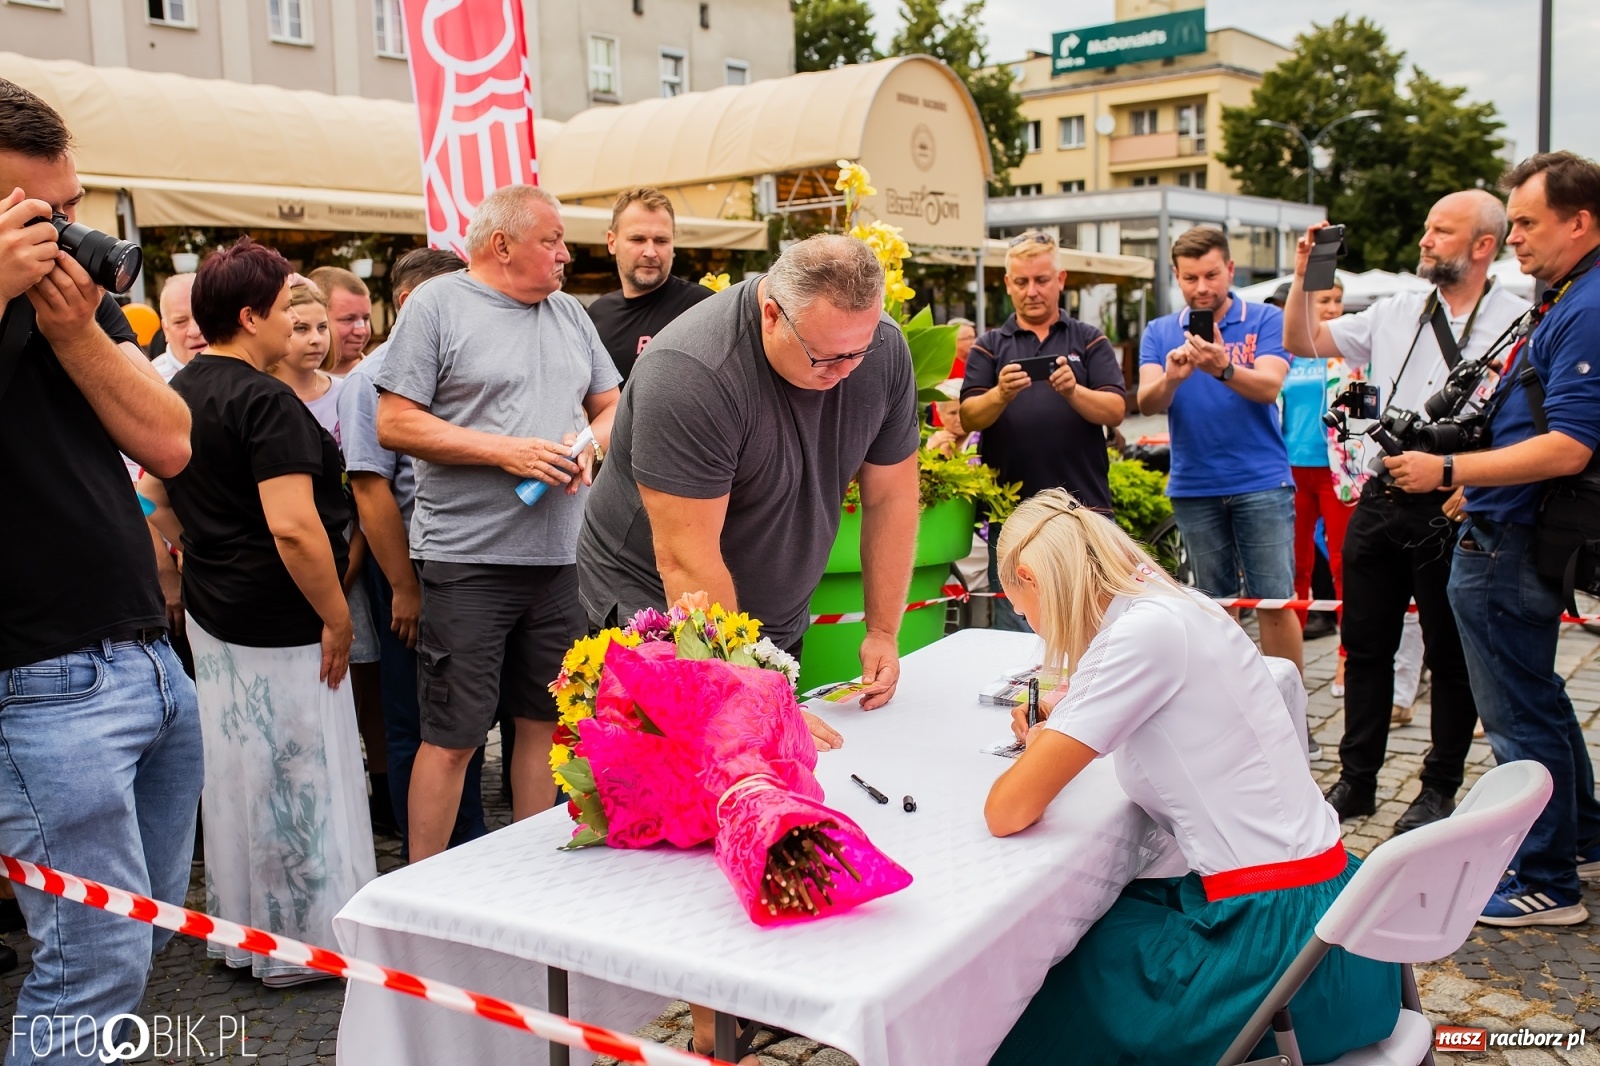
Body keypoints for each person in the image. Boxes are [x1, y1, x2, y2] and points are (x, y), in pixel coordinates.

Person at [576, 231, 918, 1060]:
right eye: (826, 358)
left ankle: (768, 979)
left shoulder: (876, 348)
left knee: (774, 792)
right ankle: (698, 1025)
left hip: (772, 602)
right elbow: (686, 562)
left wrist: (882, 627)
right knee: (697, 805)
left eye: (859, 352)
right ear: (770, 312)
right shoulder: (689, 371)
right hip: (655, 615)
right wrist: (756, 701)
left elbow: (893, 488)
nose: (847, 372)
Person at [982, 490, 1398, 1065]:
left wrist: (1044, 745)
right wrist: (1061, 722)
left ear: (1030, 577)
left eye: (1022, 606)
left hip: (1280, 962)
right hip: (1341, 928)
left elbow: (1007, 811)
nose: (1031, 624)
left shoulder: (1136, 636)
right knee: (1099, 918)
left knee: (1035, 978)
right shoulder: (1175, 604)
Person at [0, 78, 202, 1063]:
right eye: (38, 212)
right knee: (90, 960)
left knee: (135, 940)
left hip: (148, 664)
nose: (65, 233)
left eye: (70, 209)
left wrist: (75, 326)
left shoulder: (74, 300)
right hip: (35, 683)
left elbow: (169, 440)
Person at [139, 238, 375, 985]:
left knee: (241, 774)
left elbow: (152, 496)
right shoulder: (264, 399)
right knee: (300, 775)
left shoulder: (182, 388)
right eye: (283, 310)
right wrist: (337, 617)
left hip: (216, 606)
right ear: (251, 317)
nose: (294, 323)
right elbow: (295, 527)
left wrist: (194, 551)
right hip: (279, 614)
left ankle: (249, 936)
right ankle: (306, 943)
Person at [1385, 153, 1600, 924]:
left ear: (1580, 222)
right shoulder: (1571, 294)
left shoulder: (1585, 305)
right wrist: (1475, 478)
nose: (1514, 237)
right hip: (1502, 523)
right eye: (1509, 222)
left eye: (1527, 222)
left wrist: (1449, 467)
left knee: (1515, 712)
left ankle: (1547, 880)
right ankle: (1580, 839)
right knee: (1535, 695)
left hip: (1511, 539)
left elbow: (1571, 445)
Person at [377, 185, 621, 862]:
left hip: (561, 558)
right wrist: (505, 451)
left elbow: (612, 403)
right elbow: (393, 422)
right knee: (453, 735)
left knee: (544, 723)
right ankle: (421, 891)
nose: (566, 254)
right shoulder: (436, 306)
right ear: (501, 244)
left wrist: (590, 443)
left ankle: (524, 877)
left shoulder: (570, 314)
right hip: (469, 559)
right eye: (553, 240)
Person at [1284, 191, 1528, 833]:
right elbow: (1303, 337)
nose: (1424, 240)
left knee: (1450, 658)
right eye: (1425, 227)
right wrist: (1311, 272)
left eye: (1441, 231)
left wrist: (1473, 486)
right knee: (1364, 648)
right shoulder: (1396, 310)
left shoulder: (1518, 319)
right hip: (1381, 494)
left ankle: (1439, 787)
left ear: (1482, 245)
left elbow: (1530, 423)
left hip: (1454, 503)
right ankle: (1357, 782)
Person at [339, 246, 486, 859]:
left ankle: (469, 835)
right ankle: (421, 848)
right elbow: (372, 495)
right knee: (411, 719)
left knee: (463, 716)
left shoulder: (452, 366)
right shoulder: (370, 379)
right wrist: (403, 586)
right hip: (405, 565)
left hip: (459, 562)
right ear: (411, 302)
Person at [1137, 227, 1302, 671]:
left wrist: (1224, 367)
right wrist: (1173, 378)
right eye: (1190, 278)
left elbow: (1269, 387)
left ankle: (1291, 720)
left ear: (1230, 269)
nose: (1202, 287)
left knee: (1274, 602)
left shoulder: (1265, 318)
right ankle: (1229, 713)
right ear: (1176, 276)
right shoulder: (1159, 330)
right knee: (1214, 608)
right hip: (1195, 485)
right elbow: (1146, 401)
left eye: (1211, 274)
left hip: (1261, 481)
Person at [960, 230, 1126, 632]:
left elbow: (1116, 409)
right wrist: (999, 394)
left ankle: (1091, 694)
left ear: (1061, 280)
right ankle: (1021, 696)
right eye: (1021, 282)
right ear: (1007, 285)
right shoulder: (990, 344)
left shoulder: (1089, 340)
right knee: (1017, 624)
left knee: (1093, 620)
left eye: (1041, 280)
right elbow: (968, 416)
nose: (1031, 291)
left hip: (1084, 511)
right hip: (1013, 515)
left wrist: (1074, 391)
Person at [585, 186, 713, 382]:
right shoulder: (597, 314)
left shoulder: (704, 308)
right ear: (612, 242)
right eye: (638, 239)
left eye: (661, 241)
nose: (651, 252)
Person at [271, 279, 343, 437]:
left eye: (322, 327)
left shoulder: (345, 391)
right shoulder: (261, 396)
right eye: (301, 328)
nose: (316, 339)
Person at [308, 265, 372, 376]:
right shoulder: (287, 384)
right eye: (348, 319)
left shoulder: (384, 380)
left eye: (365, 318)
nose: (361, 331)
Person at [152, 271, 205, 381]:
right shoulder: (149, 382)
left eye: (203, 316)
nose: (195, 331)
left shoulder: (245, 369)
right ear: (166, 329)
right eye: (180, 322)